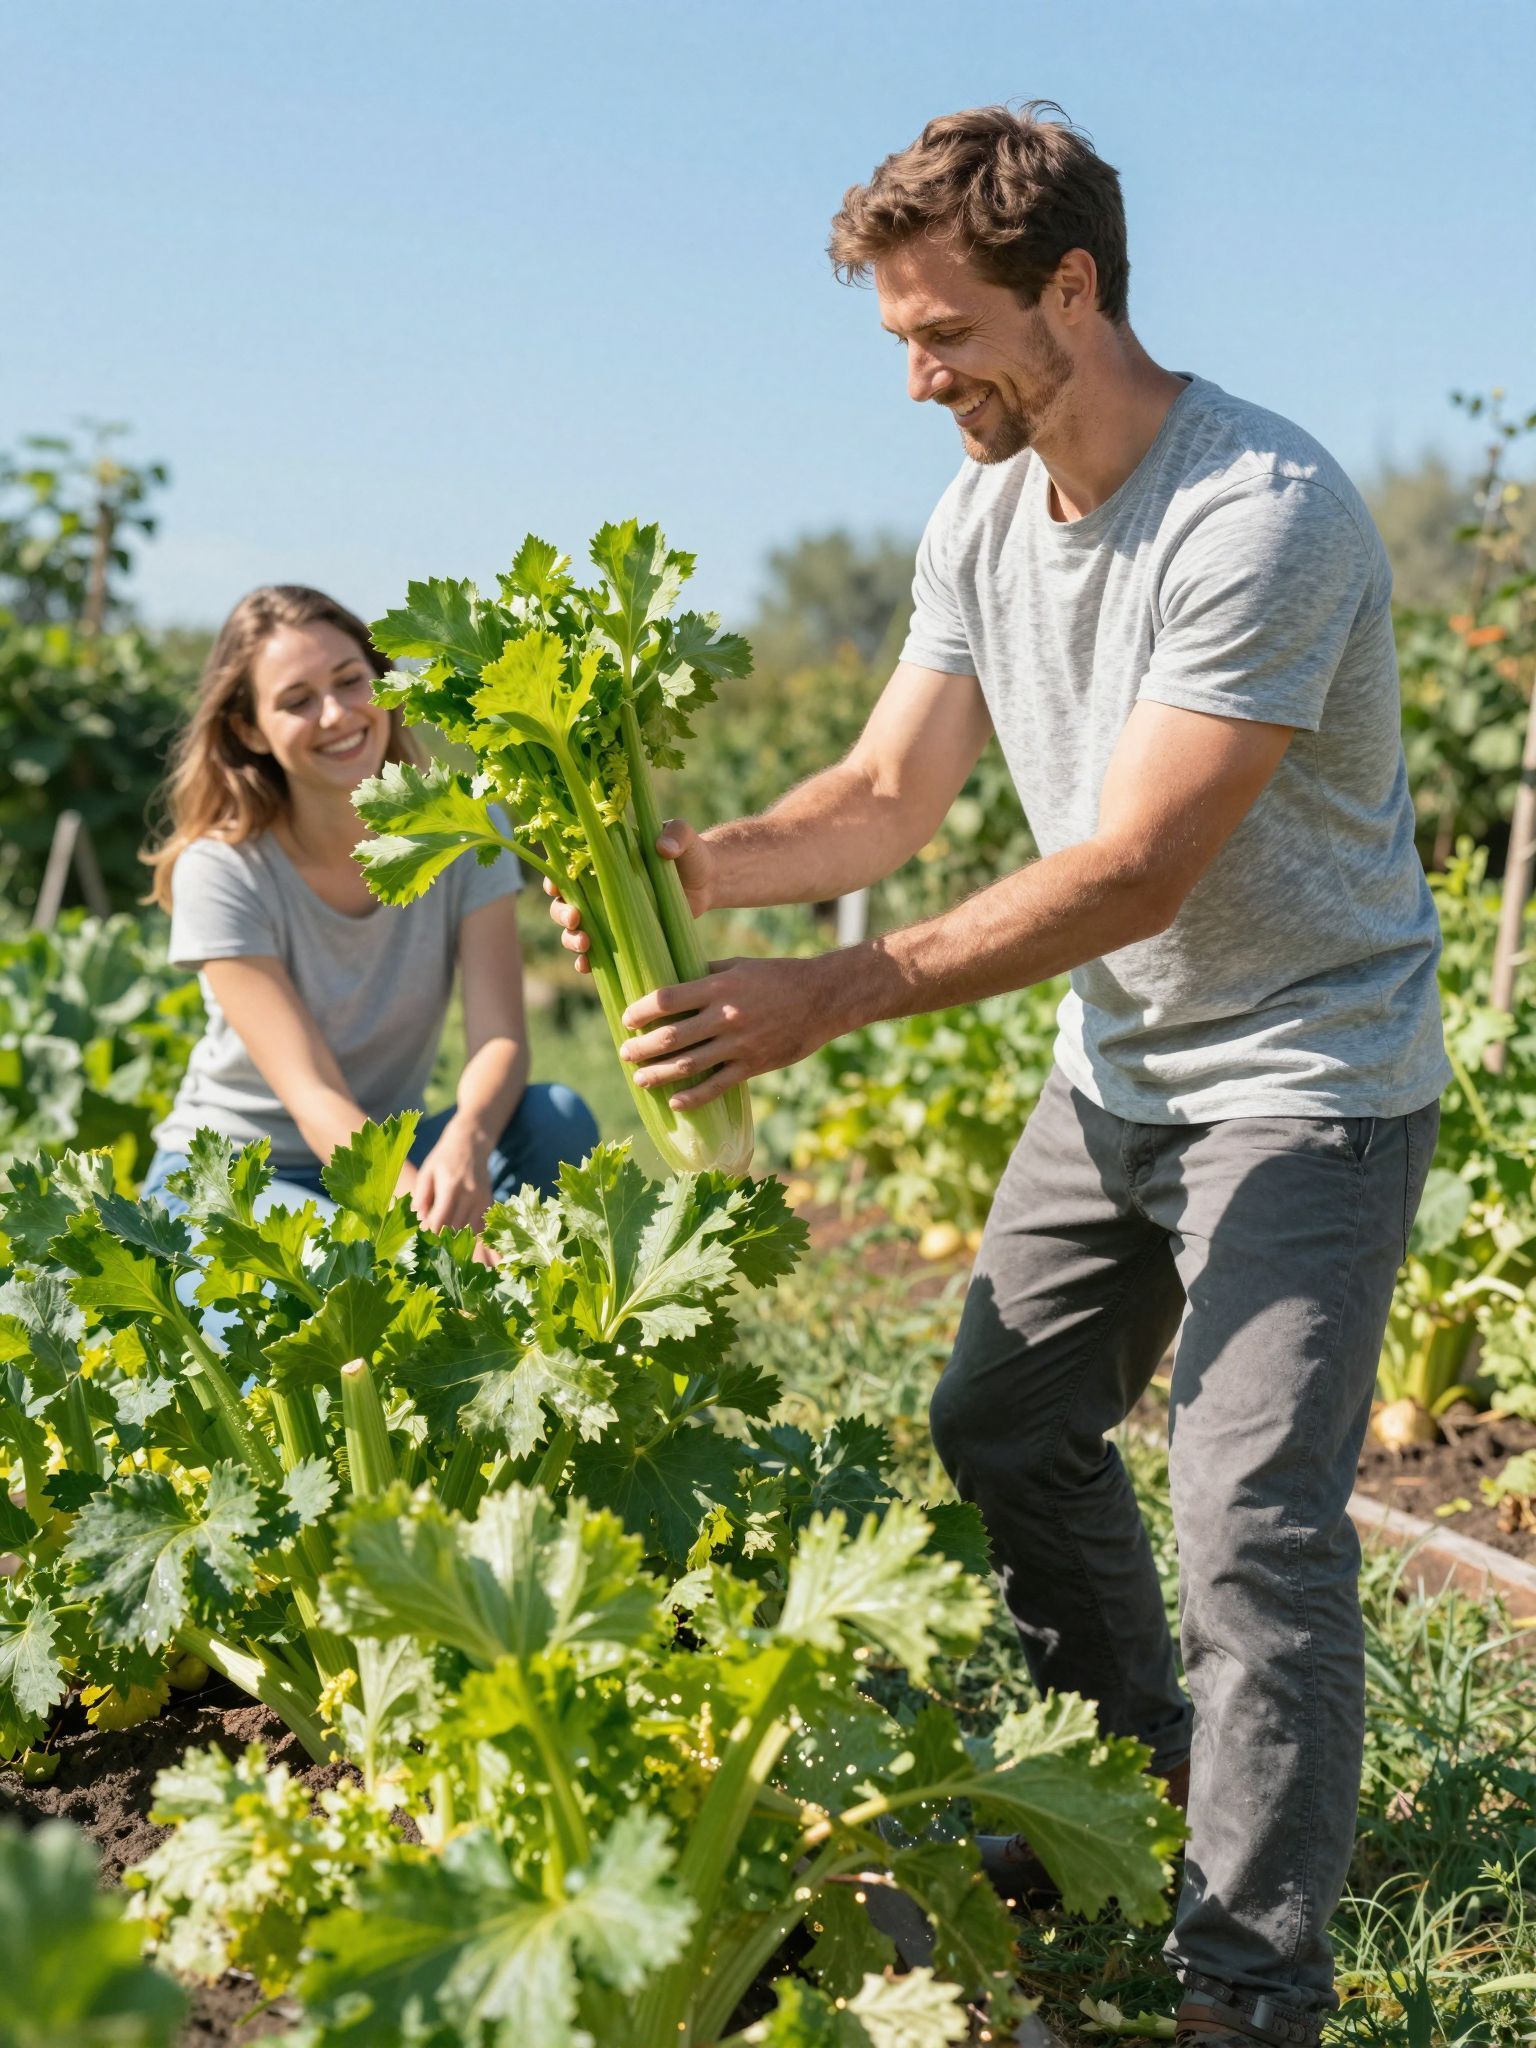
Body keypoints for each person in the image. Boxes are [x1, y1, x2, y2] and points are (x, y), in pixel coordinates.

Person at [549, 105, 1446, 2048]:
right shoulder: (982, 507)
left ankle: (1248, 1981)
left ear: (1075, 287)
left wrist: (828, 995)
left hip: (1307, 1073)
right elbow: (882, 796)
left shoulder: (1256, 510)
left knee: (1252, 1518)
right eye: (893, 335)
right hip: (1117, 1068)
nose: (916, 370)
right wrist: (692, 875)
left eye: (942, 328)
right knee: (1004, 1422)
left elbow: (1134, 862)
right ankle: (1125, 1776)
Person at [142, 583, 597, 1237]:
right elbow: (313, 1095)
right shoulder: (223, 871)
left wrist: (467, 1139)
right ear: (249, 730)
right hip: (235, 1178)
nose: (335, 714)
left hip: (386, 1160)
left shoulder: (472, 829)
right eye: (297, 701)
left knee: (552, 1119)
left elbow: (500, 1038)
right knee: (342, 1269)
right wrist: (422, 1223)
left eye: (350, 681)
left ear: (384, 685)